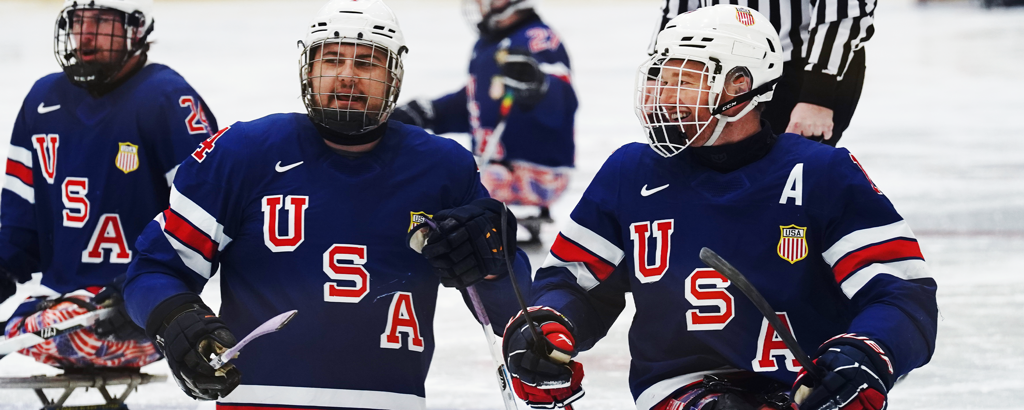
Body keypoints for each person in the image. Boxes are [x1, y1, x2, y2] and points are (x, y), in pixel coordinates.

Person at [502, 6, 937, 410]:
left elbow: (902, 293)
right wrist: (546, 325)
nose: (664, 96)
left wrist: (865, 354)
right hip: (681, 390)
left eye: (685, 80)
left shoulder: (822, 172)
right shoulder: (629, 172)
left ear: (741, 87)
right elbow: (574, 285)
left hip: (806, 388)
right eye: (661, 77)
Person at [121, 0, 531, 407]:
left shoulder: (444, 168)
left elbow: (514, 313)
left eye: (368, 63)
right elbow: (155, 268)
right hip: (261, 400)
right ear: (308, 70)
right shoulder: (242, 153)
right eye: (331, 60)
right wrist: (174, 316)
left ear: (394, 76)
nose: (347, 77)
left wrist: (496, 264)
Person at [1, 0, 217, 369]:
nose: (84, 34)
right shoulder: (42, 100)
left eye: (100, 21)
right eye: (77, 21)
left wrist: (143, 289)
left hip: (140, 306)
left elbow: (209, 218)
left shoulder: (167, 98)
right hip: (59, 303)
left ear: (136, 29)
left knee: (51, 329)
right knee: (43, 327)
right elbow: (22, 227)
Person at [391, 0, 577, 242]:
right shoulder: (491, 43)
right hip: (497, 168)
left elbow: (562, 100)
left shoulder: (537, 38)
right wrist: (431, 112)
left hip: (538, 174)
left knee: (439, 178)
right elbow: (479, 104)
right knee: (441, 168)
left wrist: (539, 86)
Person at [652, 0, 872, 146]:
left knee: (788, 181)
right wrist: (657, 75)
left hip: (801, 71)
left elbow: (845, 10)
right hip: (710, 67)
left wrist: (816, 95)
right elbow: (680, 8)